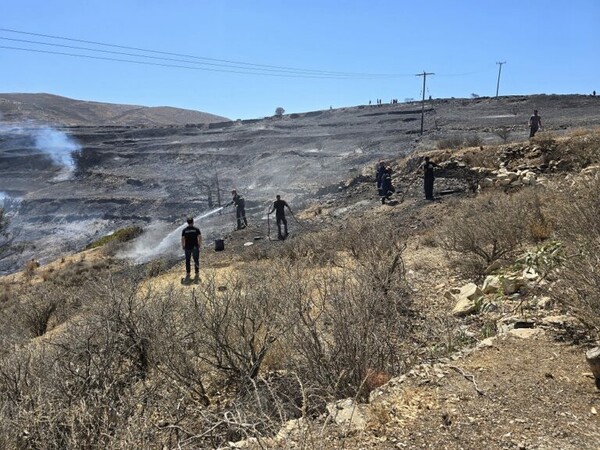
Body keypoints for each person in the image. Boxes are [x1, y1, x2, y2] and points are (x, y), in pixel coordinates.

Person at [181, 217, 202, 282]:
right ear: (193, 222)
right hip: (195, 247)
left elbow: (182, 238)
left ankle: (188, 273)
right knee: (196, 260)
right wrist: (199, 244)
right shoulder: (196, 229)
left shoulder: (184, 230)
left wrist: (183, 246)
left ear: (187, 222)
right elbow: (200, 237)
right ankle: (197, 273)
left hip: (187, 247)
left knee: (188, 261)